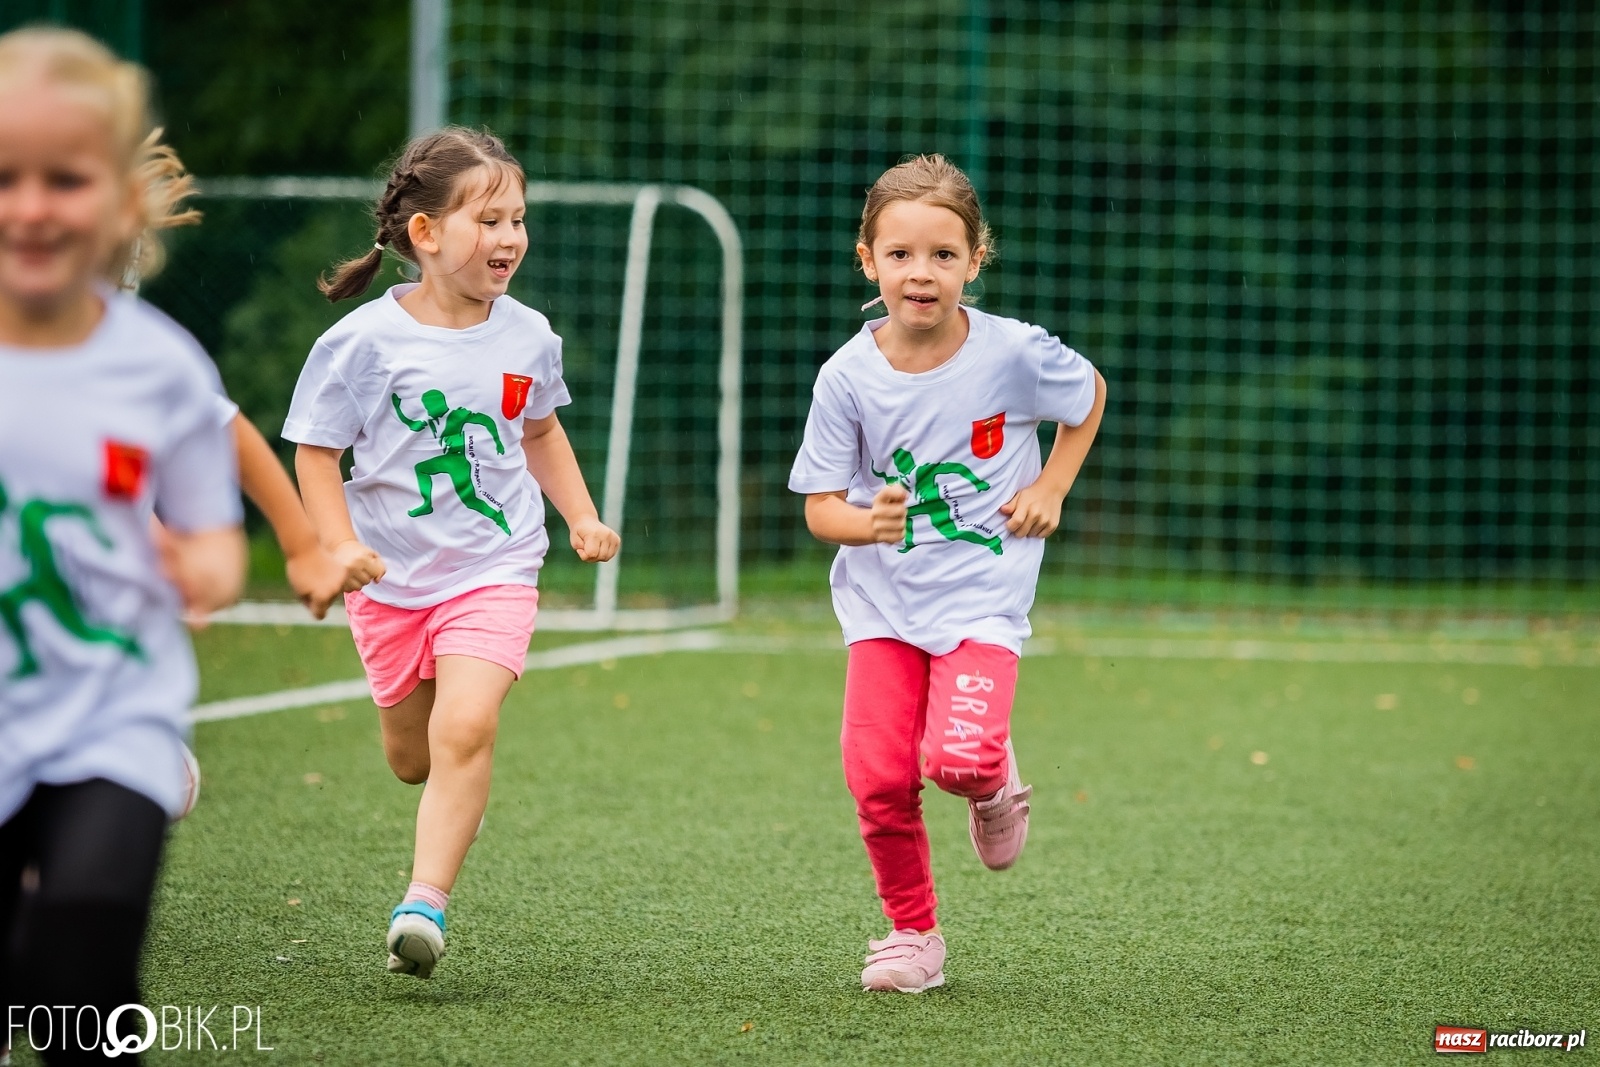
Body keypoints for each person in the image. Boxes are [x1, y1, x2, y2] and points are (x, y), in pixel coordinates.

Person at [284, 126, 619, 979]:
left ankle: (423, 903)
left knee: (466, 724)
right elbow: (317, 452)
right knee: (414, 755)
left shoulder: (530, 336)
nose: (510, 238)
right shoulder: (362, 343)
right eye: (490, 220)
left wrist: (578, 515)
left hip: (496, 564)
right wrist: (338, 545)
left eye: (518, 220)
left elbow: (540, 429)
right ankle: (441, 792)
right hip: (389, 579)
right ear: (426, 234)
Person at [789, 154, 1107, 993]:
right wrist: (869, 522)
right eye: (899, 254)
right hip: (881, 608)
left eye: (942, 254)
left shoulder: (1014, 355)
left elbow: (1089, 396)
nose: (920, 273)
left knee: (958, 761)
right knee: (878, 776)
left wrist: (1050, 485)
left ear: (975, 258)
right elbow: (822, 508)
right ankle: (912, 935)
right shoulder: (844, 377)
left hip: (983, 600)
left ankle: (994, 781)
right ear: (868, 261)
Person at [0, 26, 246, 1064]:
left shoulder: (161, 368)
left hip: (114, 712)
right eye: (5, 176)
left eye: (66, 178)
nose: (33, 205)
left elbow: (213, 538)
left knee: (88, 939)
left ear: (120, 201)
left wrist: (207, 569)